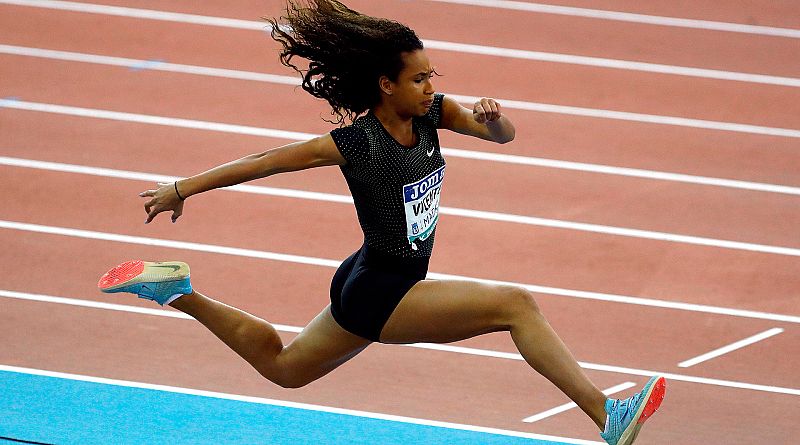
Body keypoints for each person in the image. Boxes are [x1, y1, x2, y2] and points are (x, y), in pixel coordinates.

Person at [97, 1, 665, 443]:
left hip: (366, 275)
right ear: (386, 85)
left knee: (285, 368)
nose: (431, 87)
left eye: (432, 75)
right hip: (383, 288)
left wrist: (495, 120)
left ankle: (178, 291)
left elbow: (503, 137)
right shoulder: (355, 144)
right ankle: (606, 414)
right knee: (516, 305)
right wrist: (182, 188)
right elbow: (265, 162)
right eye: (418, 79)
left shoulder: (433, 114)